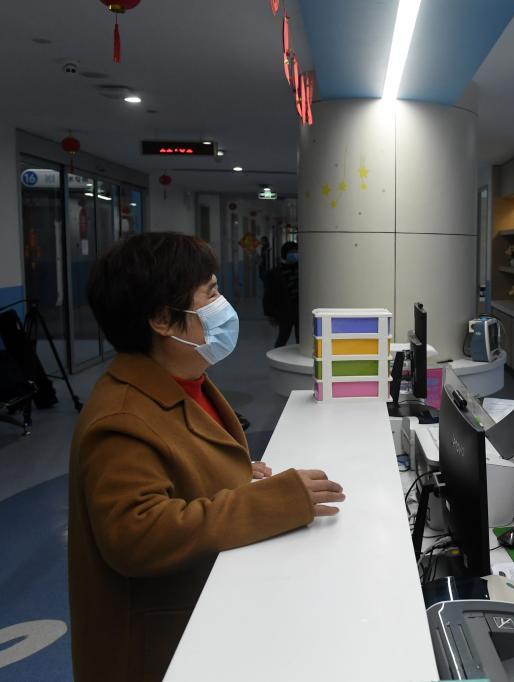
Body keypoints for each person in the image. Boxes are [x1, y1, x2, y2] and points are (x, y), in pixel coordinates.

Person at [68, 233, 344, 682]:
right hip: (163, 649)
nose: (223, 306)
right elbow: (136, 536)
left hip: (207, 613)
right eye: (210, 294)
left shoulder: (182, 380)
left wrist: (222, 472)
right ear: (163, 319)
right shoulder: (120, 418)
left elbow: (178, 460)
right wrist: (273, 502)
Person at [263, 241, 300, 348]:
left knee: (301, 338)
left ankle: (300, 355)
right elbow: (269, 295)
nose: (295, 254)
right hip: (284, 310)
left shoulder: (302, 270)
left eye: (296, 252)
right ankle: (277, 354)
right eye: (292, 252)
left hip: (300, 310)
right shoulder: (275, 273)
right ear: (285, 254)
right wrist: (269, 314)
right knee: (283, 337)